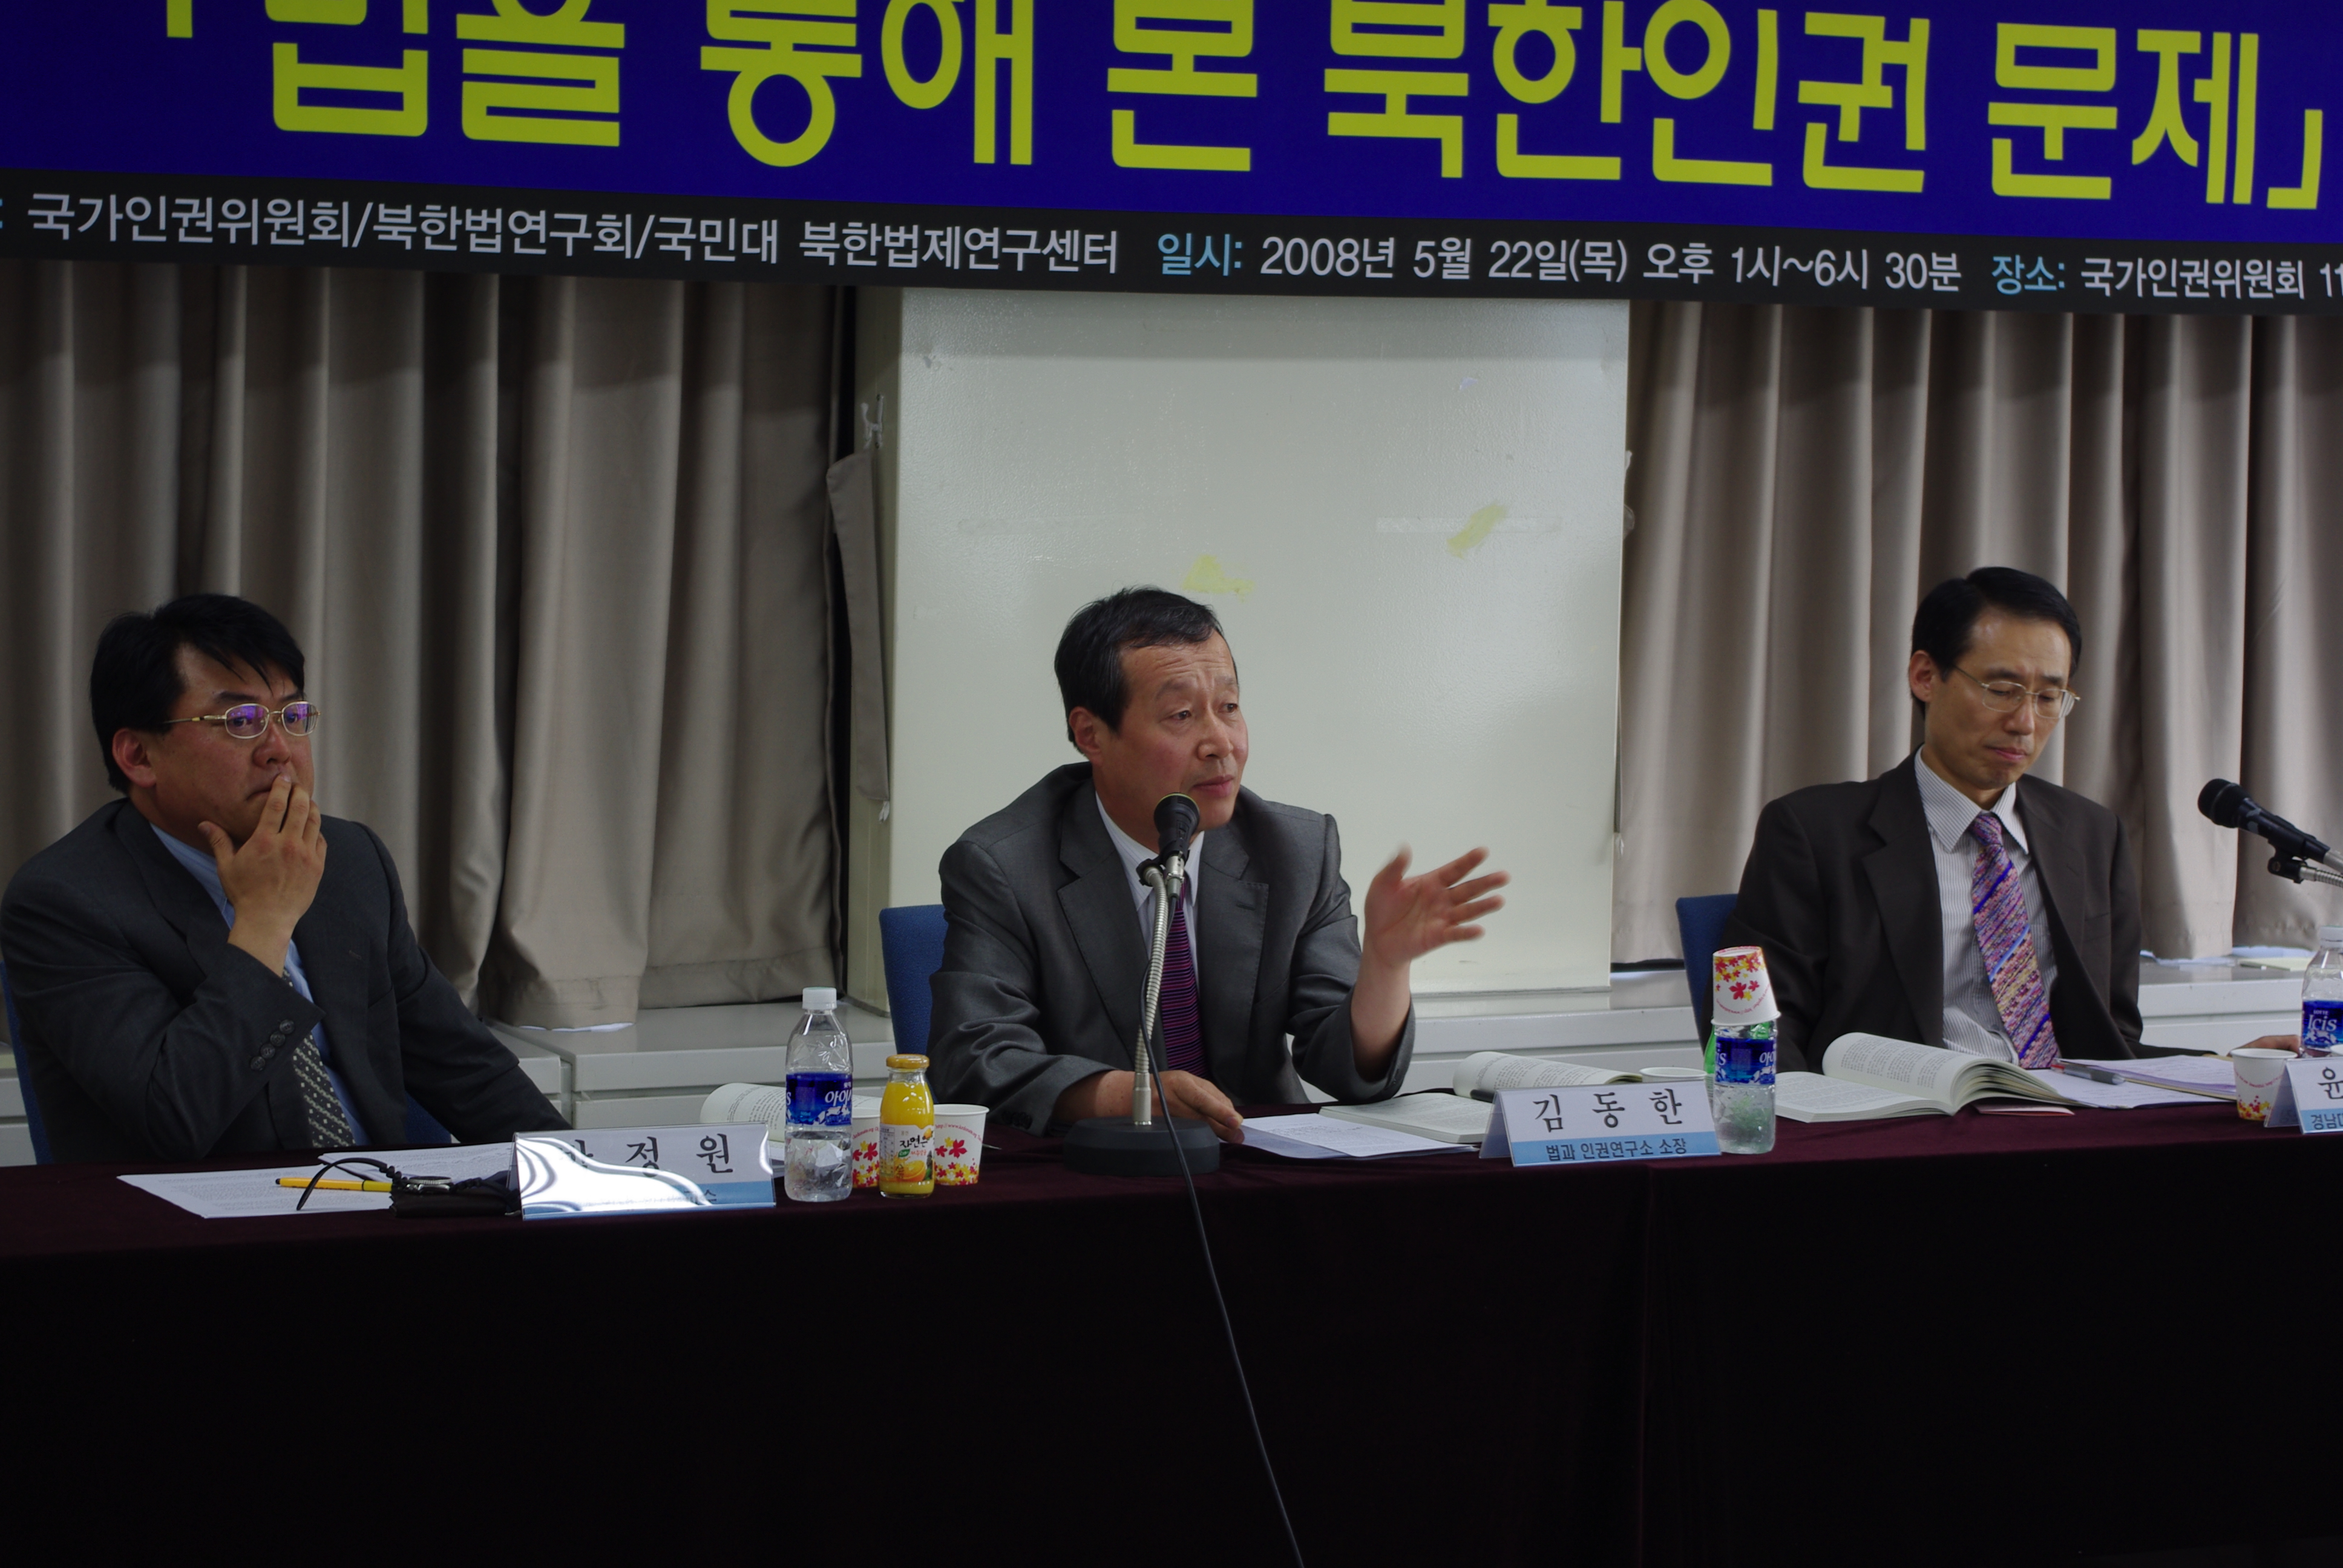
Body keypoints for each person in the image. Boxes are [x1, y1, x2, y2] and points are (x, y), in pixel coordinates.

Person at [0, 593, 568, 1162]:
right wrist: (265, 922)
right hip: (198, 1213)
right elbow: (172, 1119)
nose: (279, 750)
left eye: (292, 717)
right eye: (241, 721)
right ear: (139, 757)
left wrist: (583, 1177)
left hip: (382, 1200)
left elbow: (467, 1069)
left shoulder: (349, 859)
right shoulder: (64, 903)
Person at [928, 587, 1507, 1140]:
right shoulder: (1004, 866)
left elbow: (1349, 1076)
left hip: (1262, 1167)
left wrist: (1386, 968)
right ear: (1091, 735)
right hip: (1100, 1172)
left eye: (1229, 707)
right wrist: (1132, 1096)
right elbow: (973, 1059)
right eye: (1182, 715)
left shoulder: (1296, 850)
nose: (1221, 743)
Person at [1720, 568, 2145, 1074]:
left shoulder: (2093, 835)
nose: (2025, 723)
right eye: (2002, 689)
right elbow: (1753, 1028)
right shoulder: (1813, 834)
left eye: (2048, 698)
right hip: (1901, 1110)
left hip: (2067, 1108)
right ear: (1925, 676)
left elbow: (2116, 1032)